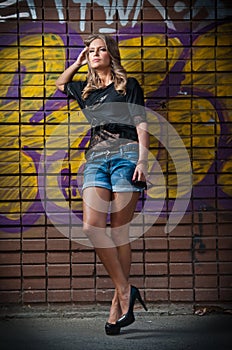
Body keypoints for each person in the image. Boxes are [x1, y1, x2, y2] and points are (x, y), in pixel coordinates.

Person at [56, 34, 149, 335]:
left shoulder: (127, 85)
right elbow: (60, 84)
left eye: (101, 50)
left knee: (119, 232)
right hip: (95, 159)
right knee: (92, 226)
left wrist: (143, 161)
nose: (95, 54)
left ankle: (115, 308)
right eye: (91, 51)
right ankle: (126, 291)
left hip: (127, 154)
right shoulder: (85, 90)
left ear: (111, 54)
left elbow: (141, 123)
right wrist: (77, 62)